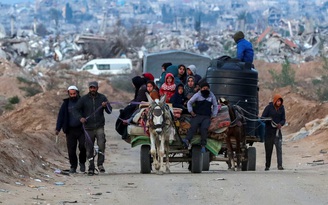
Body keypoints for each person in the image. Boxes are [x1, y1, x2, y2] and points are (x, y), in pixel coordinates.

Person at [74, 81, 112, 176]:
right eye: (91, 88)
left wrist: (106, 105)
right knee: (89, 148)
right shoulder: (84, 99)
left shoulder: (102, 98)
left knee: (101, 144)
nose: (92, 89)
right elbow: (75, 110)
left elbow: (109, 111)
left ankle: (100, 165)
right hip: (88, 128)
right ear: (89, 88)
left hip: (99, 126)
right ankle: (91, 167)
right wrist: (80, 118)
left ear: (97, 88)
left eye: (94, 88)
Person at [55, 85, 86, 173]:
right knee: (71, 150)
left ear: (77, 93)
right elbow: (61, 117)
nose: (72, 95)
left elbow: (88, 112)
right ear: (68, 94)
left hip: (82, 129)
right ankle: (73, 166)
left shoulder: (82, 102)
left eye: (74, 93)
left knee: (83, 147)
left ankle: (82, 162)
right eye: (71, 94)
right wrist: (58, 128)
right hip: (70, 130)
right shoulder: (66, 104)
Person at [182, 82, 218, 153]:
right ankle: (187, 140)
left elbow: (215, 105)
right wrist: (191, 111)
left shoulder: (211, 95)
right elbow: (189, 102)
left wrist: (214, 115)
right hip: (197, 115)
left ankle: (203, 145)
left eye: (207, 88)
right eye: (204, 88)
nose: (205, 90)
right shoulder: (197, 95)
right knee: (193, 126)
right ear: (201, 89)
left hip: (206, 116)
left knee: (204, 128)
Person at [261, 94, 286, 171]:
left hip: (277, 132)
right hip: (269, 132)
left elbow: (283, 119)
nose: (279, 103)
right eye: (278, 101)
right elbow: (262, 118)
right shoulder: (268, 108)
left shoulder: (282, 109)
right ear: (275, 101)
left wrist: (280, 124)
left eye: (280, 101)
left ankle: (280, 165)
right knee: (268, 150)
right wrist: (268, 119)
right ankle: (267, 166)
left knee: (279, 149)